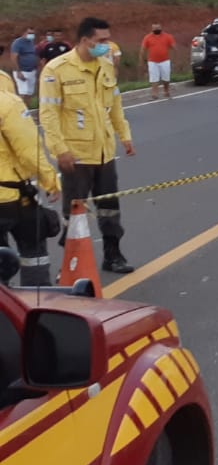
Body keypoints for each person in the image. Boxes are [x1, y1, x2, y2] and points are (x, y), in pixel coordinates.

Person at [38, 17, 136, 273]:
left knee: (109, 209)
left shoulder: (104, 66)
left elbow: (114, 104)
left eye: (108, 40)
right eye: (101, 41)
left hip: (104, 152)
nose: (107, 45)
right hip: (76, 156)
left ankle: (113, 256)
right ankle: (72, 265)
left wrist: (124, 135)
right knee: (75, 214)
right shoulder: (56, 70)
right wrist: (60, 150)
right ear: (85, 40)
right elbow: (48, 115)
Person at [0, 77, 60, 286]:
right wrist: (50, 181)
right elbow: (29, 150)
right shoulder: (8, 103)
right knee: (34, 255)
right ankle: (39, 304)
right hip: (12, 198)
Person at [140, 23, 178, 100]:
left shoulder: (167, 36)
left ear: (161, 28)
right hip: (152, 61)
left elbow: (174, 48)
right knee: (154, 78)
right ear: (152, 29)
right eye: (155, 28)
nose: (156, 29)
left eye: (158, 28)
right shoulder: (147, 37)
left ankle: (166, 91)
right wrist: (141, 60)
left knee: (166, 78)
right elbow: (143, 49)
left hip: (165, 60)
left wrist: (175, 59)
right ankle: (154, 94)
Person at [10, 28, 38, 108]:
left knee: (29, 93)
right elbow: (13, 57)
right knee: (23, 92)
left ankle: (27, 110)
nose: (31, 35)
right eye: (29, 33)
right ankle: (19, 111)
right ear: (24, 32)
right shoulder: (17, 43)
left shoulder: (31, 42)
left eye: (33, 33)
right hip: (22, 71)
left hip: (31, 71)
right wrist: (18, 71)